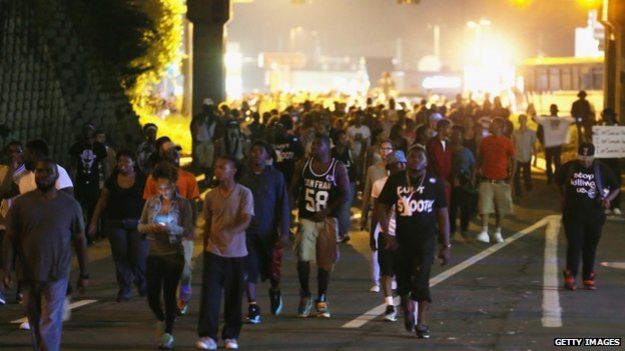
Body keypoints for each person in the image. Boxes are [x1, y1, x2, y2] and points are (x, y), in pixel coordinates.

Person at [2, 158, 89, 351]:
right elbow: (10, 238)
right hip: (27, 273)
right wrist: (6, 269)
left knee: (51, 320)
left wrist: (84, 273)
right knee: (34, 321)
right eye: (40, 171)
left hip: (56, 274)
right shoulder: (22, 204)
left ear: (57, 175)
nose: (43, 175)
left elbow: (80, 239)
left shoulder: (69, 205)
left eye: (48, 171)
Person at [376, 145, 451, 338]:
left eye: (419, 156)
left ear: (425, 161)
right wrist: (388, 235)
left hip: (425, 241)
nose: (415, 159)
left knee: (422, 280)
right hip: (402, 240)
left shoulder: (435, 182)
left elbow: (442, 214)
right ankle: (407, 304)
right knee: (402, 282)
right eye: (412, 155)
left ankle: (422, 321)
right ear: (406, 159)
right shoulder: (396, 180)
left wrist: (446, 245)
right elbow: (381, 206)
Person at [196, 156, 254, 350]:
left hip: (237, 254)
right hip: (214, 252)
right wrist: (205, 247)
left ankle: (231, 336)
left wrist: (232, 230)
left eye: (222, 167)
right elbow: (208, 224)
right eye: (217, 167)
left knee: (233, 297)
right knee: (210, 296)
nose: (218, 170)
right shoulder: (211, 196)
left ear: (233, 170)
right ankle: (208, 336)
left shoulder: (244, 193)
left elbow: (246, 219)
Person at [290, 133, 349, 318]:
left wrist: (328, 210)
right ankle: (306, 293)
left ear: (327, 147)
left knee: (325, 261)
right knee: (303, 257)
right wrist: (288, 215)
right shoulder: (303, 165)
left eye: (318, 145)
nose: (314, 148)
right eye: (312, 145)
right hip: (307, 217)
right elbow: (292, 190)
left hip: (327, 219)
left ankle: (322, 297)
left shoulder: (336, 168)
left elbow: (346, 194)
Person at [138, 161, 194, 349]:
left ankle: (168, 333)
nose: (163, 189)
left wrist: (172, 229)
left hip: (173, 253)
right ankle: (161, 320)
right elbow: (140, 225)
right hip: (154, 253)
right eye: (159, 186)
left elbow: (188, 230)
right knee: (152, 295)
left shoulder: (184, 204)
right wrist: (151, 227)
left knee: (169, 294)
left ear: (173, 183)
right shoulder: (151, 202)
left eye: (167, 186)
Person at [143, 140, 200, 315]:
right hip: (161, 231)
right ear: (163, 156)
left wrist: (191, 226)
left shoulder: (188, 178)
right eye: (171, 152)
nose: (175, 155)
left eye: (177, 152)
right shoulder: (153, 179)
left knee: (185, 270)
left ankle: (185, 288)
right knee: (167, 268)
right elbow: (149, 204)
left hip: (182, 229)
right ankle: (171, 303)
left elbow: (193, 203)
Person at [555, 143, 619, 290]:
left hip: (595, 215)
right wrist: (563, 197)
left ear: (593, 156)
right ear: (578, 155)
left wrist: (608, 199)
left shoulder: (601, 169)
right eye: (582, 158)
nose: (585, 161)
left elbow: (615, 187)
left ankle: (588, 276)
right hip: (573, 214)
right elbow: (558, 182)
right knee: (574, 245)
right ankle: (570, 275)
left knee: (590, 246)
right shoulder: (569, 167)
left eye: (588, 158)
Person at [239, 141, 290, 324]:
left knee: (272, 270)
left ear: (267, 155)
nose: (256, 154)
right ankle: (253, 305)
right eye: (253, 151)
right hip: (247, 232)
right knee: (248, 268)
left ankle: (275, 290)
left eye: (260, 151)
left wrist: (284, 231)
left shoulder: (276, 177)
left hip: (269, 231)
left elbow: (283, 204)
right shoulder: (243, 176)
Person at [88, 150, 147, 302]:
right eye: (120, 161)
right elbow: (102, 202)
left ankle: (141, 281)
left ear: (134, 163)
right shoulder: (112, 181)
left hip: (138, 224)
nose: (123, 165)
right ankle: (125, 288)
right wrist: (94, 221)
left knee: (138, 256)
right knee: (121, 257)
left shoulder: (143, 179)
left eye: (126, 161)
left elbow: (151, 201)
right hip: (116, 224)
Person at [370, 150, 407, 321]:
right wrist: (373, 233)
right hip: (386, 233)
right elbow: (377, 211)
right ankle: (390, 306)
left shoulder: (411, 184)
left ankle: (406, 304)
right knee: (386, 272)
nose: (395, 169)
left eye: (398, 165)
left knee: (404, 273)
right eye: (391, 167)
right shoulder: (380, 184)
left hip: (405, 235)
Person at [360, 140, 394, 293]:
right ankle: (375, 280)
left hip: (394, 214)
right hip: (377, 211)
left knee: (393, 246)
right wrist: (364, 215)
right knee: (374, 246)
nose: (385, 151)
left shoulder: (398, 168)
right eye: (383, 148)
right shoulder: (373, 170)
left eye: (388, 148)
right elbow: (367, 193)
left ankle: (392, 277)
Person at [476, 118, 515, 244]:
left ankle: (498, 232)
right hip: (486, 179)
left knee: (501, 209)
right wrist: (476, 171)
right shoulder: (485, 141)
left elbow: (514, 161)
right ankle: (484, 231)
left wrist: (511, 179)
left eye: (493, 124)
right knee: (484, 207)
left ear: (500, 127)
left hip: (501, 180)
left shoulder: (507, 142)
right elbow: (479, 158)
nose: (490, 126)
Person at [68, 122, 108, 242]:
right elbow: (73, 165)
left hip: (94, 182)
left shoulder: (99, 147)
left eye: (90, 129)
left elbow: (104, 165)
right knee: (79, 209)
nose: (88, 132)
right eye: (86, 129)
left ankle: (91, 234)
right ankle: (79, 234)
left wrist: (106, 180)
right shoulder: (77, 147)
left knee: (93, 208)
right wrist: (71, 181)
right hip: (80, 182)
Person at [0, 141, 24, 306]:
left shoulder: (30, 172)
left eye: (18, 151)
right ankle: (1, 290)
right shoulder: (2, 171)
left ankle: (21, 290)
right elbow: (4, 191)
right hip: (4, 221)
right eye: (11, 152)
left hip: (23, 221)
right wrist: (11, 169)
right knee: (3, 258)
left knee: (22, 259)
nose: (14, 154)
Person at [535, 104, 574, 184]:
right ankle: (555, 178)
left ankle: (551, 178)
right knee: (555, 162)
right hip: (554, 145)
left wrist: (543, 142)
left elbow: (539, 133)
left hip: (552, 145)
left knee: (551, 162)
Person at [449, 126, 476, 242]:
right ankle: (451, 231)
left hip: (464, 180)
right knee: (452, 208)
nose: (457, 137)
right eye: (454, 135)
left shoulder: (466, 151)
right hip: (450, 180)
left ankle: (464, 230)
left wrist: (472, 178)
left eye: (459, 135)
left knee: (465, 207)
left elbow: (473, 166)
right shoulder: (448, 150)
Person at [331, 130, 356, 243]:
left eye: (345, 138)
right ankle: (335, 231)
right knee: (335, 207)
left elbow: (355, 165)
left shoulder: (350, 152)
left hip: (348, 182)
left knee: (345, 207)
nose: (345, 140)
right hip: (333, 183)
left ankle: (343, 232)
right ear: (336, 140)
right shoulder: (331, 153)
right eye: (342, 138)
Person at [598, 108, 622, 215]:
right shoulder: (600, 127)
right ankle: (606, 204)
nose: (605, 117)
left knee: (616, 182)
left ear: (611, 116)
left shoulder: (618, 128)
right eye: (604, 115)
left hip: (615, 159)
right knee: (604, 183)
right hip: (603, 159)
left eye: (607, 115)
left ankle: (616, 205)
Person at [271, 115, 305, 189]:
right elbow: (301, 153)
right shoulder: (291, 138)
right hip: (284, 171)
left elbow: (301, 153)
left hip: (284, 171)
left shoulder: (292, 139)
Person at [190, 99, 218, 184]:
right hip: (200, 142)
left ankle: (208, 178)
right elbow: (192, 128)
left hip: (210, 142)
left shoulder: (215, 118)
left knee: (209, 162)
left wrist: (215, 139)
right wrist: (195, 138)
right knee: (202, 162)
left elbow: (219, 130)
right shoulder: (198, 117)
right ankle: (207, 177)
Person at [426, 119, 453, 204]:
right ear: (441, 128)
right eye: (448, 128)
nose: (450, 131)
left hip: (446, 181)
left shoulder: (448, 143)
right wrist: (440, 179)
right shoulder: (432, 143)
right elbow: (432, 163)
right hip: (436, 180)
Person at [511, 114, 537, 197]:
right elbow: (512, 145)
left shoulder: (531, 132)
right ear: (519, 121)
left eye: (523, 119)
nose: (522, 121)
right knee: (516, 175)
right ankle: (518, 192)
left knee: (527, 175)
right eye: (520, 119)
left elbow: (533, 145)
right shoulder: (515, 132)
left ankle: (529, 188)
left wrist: (535, 158)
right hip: (517, 156)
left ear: (526, 121)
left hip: (527, 156)